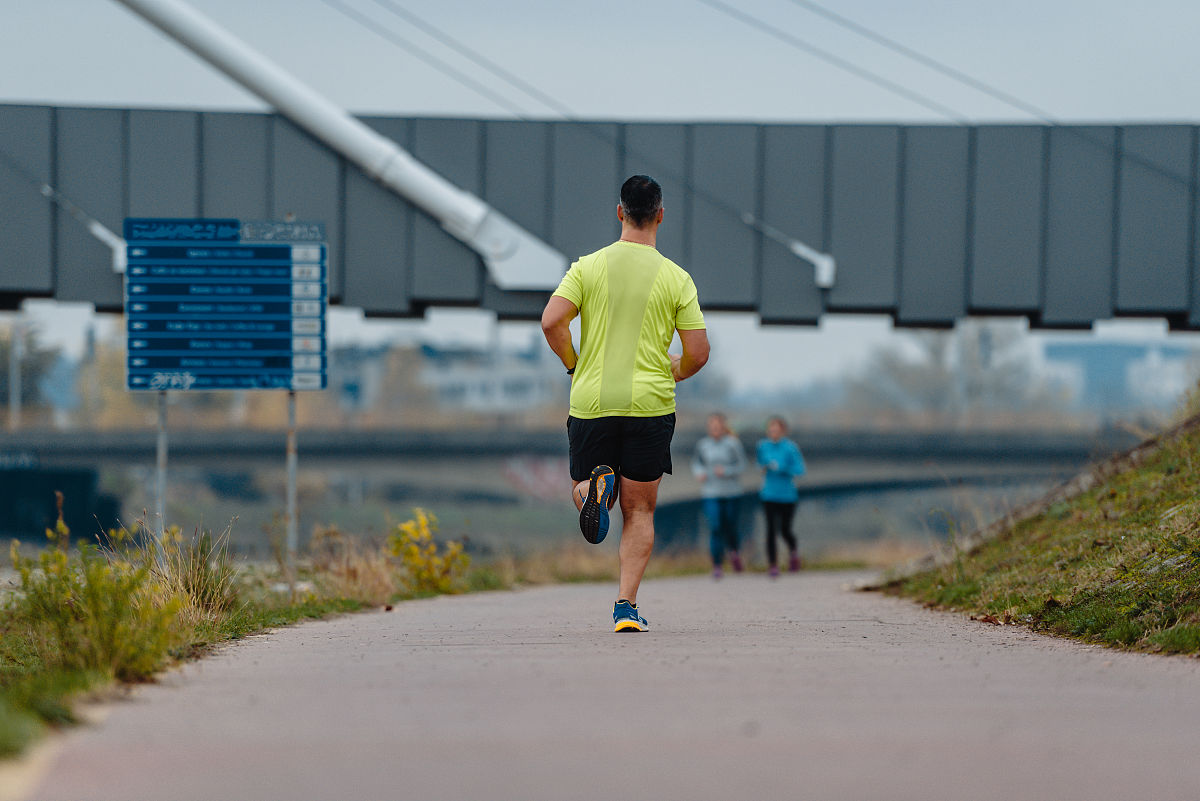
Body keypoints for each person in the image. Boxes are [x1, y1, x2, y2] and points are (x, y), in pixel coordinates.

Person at [541, 174, 709, 632]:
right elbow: (698, 353)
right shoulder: (677, 278)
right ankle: (625, 608)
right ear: (660, 215)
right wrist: (673, 370)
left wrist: (574, 364)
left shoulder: (587, 268)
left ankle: (598, 488)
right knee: (641, 511)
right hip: (650, 406)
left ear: (619, 213)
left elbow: (552, 321)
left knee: (585, 489)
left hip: (593, 400)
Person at [692, 412, 747, 579]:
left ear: (723, 427)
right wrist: (699, 472)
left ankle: (734, 551)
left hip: (731, 492)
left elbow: (742, 465)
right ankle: (717, 564)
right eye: (712, 426)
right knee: (715, 527)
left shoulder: (733, 444)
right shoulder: (703, 445)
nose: (715, 429)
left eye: (718, 426)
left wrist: (727, 471)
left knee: (729, 525)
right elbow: (696, 462)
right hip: (711, 492)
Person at [756, 416, 806, 578]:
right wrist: (764, 467)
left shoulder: (791, 448)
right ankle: (773, 565)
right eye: (771, 430)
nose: (773, 433)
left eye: (777, 430)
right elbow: (760, 464)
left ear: (783, 431)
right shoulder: (763, 446)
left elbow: (800, 469)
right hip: (769, 494)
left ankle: (793, 552)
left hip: (787, 495)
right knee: (770, 529)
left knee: (784, 530)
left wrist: (783, 468)